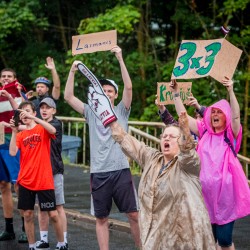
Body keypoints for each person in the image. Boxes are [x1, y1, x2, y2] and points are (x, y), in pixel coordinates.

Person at [90, 85, 215, 249]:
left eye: (172, 137)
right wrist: (111, 121)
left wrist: (185, 131)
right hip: (156, 236)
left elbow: (188, 152)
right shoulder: (152, 158)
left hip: (186, 238)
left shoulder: (188, 165)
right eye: (164, 136)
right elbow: (127, 141)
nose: (166, 139)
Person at [64, 45, 141, 250]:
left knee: (134, 214)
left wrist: (120, 59)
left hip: (121, 170)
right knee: (101, 218)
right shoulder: (90, 111)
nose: (106, 93)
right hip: (99, 172)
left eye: (110, 91)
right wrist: (72, 71)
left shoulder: (121, 111)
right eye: (103, 90)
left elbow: (130, 88)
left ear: (115, 95)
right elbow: (68, 97)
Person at [170, 78, 250, 250]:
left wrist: (230, 91)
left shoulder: (231, 136)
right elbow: (183, 117)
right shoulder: (203, 131)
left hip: (225, 199)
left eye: (219, 112)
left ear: (226, 117)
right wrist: (176, 93)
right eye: (212, 112)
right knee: (207, 239)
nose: (215, 115)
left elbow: (236, 115)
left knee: (225, 240)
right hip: (204, 197)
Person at [9, 101, 67, 250]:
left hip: (43, 179)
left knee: (53, 214)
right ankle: (32, 245)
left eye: (27, 111)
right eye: (22, 112)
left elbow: (53, 130)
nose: (24, 114)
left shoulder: (42, 129)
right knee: (27, 214)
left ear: (34, 113)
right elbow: (12, 152)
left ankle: (62, 243)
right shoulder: (21, 135)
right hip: (26, 180)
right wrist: (14, 131)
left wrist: (33, 118)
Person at [35, 97, 68, 250]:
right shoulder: (37, 124)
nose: (44, 110)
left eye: (48, 107)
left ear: (54, 110)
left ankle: (64, 241)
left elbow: (48, 128)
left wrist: (33, 118)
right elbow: (23, 112)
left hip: (54, 170)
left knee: (58, 207)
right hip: (41, 172)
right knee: (42, 207)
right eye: (42, 107)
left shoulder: (56, 124)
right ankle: (43, 239)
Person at [0, 68, 27, 243]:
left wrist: (19, 92)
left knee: (19, 184)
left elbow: (29, 111)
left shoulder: (19, 90)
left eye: (9, 76)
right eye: (3, 76)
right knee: (3, 185)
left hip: (15, 139)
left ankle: (26, 227)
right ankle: (9, 228)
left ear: (15, 78)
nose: (6, 79)